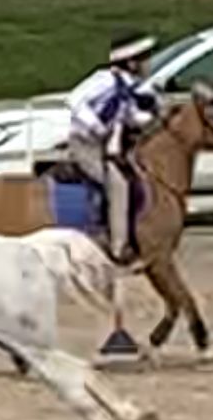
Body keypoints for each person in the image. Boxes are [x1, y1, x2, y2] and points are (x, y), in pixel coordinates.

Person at [68, 32, 161, 265]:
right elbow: (74, 99)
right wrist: (96, 127)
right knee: (118, 185)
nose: (149, 64)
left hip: (107, 147)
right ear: (131, 63)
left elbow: (128, 116)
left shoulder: (129, 89)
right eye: (145, 59)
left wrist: (153, 121)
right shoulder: (105, 81)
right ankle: (118, 248)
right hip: (86, 145)